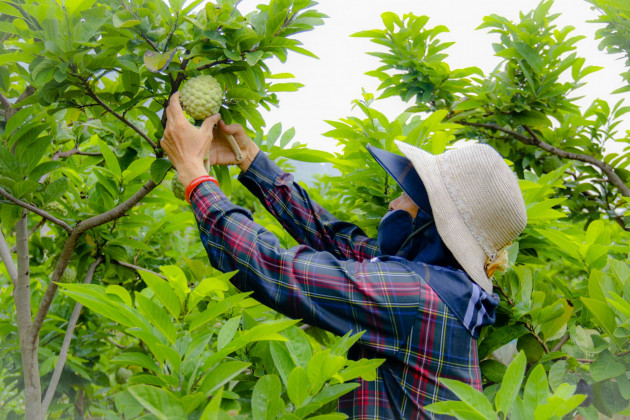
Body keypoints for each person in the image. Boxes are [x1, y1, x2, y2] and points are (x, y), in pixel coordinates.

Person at [161, 92, 527, 419]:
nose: (393, 202)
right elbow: (336, 238)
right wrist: (251, 160)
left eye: (407, 196)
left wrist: (194, 173)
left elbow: (274, 268)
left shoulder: (413, 297)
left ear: (431, 225)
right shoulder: (444, 283)